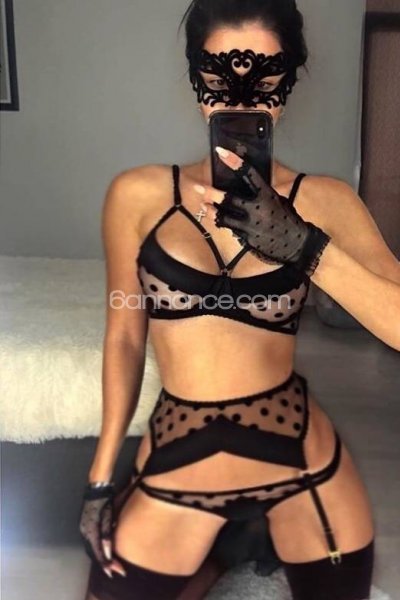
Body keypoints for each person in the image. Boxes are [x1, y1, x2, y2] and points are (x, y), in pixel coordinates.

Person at [79, 0, 400, 598]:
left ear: (290, 82)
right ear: (195, 79)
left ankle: (244, 547)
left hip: (301, 463)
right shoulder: (137, 196)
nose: (242, 101)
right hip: (179, 457)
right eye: (219, 77)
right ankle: (233, 549)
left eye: (265, 81)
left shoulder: (326, 200)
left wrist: (308, 249)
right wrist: (100, 480)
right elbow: (123, 336)